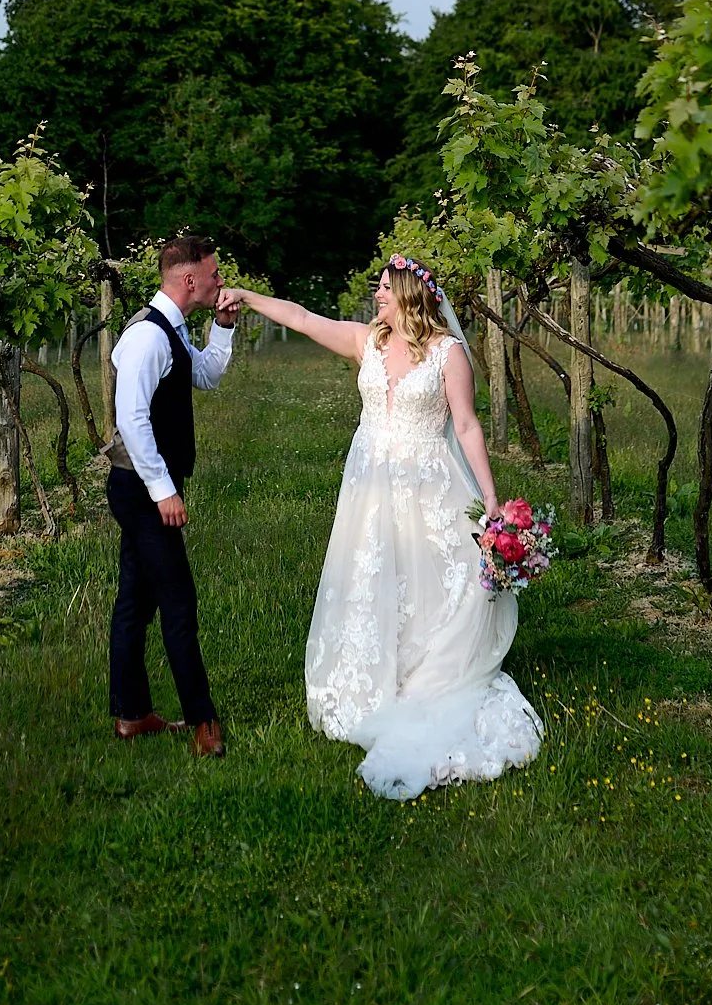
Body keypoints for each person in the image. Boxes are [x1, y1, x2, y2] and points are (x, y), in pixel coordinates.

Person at [218, 255, 543, 798]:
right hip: (368, 485)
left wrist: (490, 500)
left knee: (428, 581)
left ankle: (425, 678)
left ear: (411, 296)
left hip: (427, 485)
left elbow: (465, 425)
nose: (377, 297)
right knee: (372, 575)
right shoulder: (366, 341)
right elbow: (301, 318)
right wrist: (247, 297)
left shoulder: (448, 354)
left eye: (385, 290)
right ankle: (375, 677)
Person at [107, 232, 239, 758]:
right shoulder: (147, 336)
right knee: (178, 602)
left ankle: (132, 714)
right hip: (141, 490)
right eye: (213, 274)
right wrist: (163, 492)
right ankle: (204, 723)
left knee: (135, 601)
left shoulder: (174, 328)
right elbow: (131, 420)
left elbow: (203, 375)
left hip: (148, 486)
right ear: (190, 280)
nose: (219, 280)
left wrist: (223, 329)